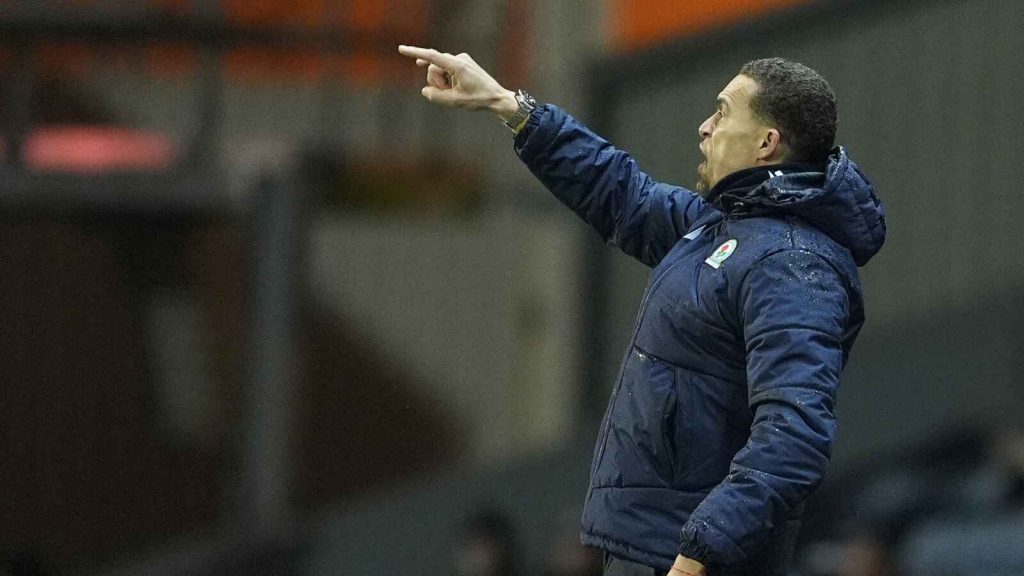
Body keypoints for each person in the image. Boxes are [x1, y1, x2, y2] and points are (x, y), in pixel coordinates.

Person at [398, 45, 886, 576]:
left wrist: (699, 553)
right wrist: (507, 105)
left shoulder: (791, 264)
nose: (704, 127)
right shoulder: (721, 229)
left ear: (767, 143)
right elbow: (622, 192)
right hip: (653, 548)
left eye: (722, 112)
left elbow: (794, 434)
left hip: (687, 560)